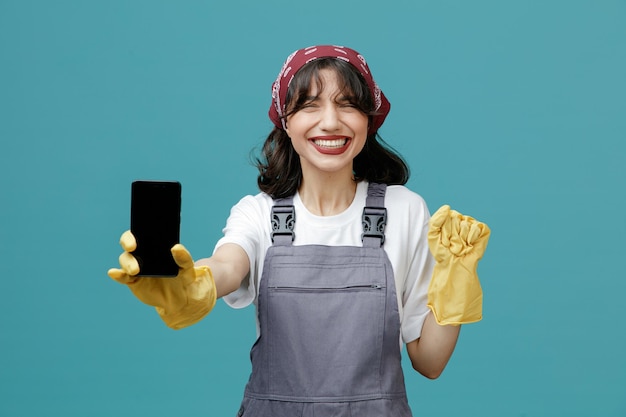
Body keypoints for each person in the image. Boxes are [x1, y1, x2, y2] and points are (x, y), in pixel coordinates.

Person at [108, 45, 491, 417]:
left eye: (348, 104)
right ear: (285, 120)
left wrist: (456, 282)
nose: (330, 121)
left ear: (368, 120)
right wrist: (193, 284)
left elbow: (430, 361)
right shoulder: (258, 214)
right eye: (310, 104)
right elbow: (227, 265)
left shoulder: (404, 210)